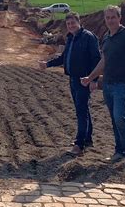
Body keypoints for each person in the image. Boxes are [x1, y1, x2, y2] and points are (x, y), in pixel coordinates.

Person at [81, 5, 125, 165]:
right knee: (114, 119)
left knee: (120, 117)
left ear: (119, 18)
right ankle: (119, 151)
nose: (110, 20)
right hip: (107, 84)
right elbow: (104, 61)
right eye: (107, 18)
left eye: (113, 17)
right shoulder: (106, 37)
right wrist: (90, 77)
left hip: (122, 84)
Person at [39, 12, 101, 155]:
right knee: (83, 109)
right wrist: (47, 64)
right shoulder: (71, 38)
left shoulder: (88, 37)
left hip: (84, 80)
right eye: (68, 24)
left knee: (81, 111)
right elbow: (63, 58)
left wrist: (94, 80)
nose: (71, 26)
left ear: (79, 22)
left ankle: (79, 145)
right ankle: (87, 139)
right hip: (73, 79)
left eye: (73, 23)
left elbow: (96, 59)